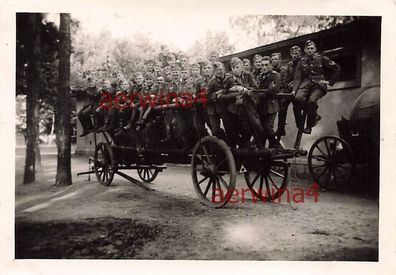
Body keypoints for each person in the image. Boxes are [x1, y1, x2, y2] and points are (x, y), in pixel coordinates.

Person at [292, 40, 341, 134]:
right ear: (305, 50)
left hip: (319, 85)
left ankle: (309, 125)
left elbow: (337, 68)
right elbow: (297, 78)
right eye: (308, 49)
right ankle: (315, 115)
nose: (310, 50)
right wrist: (294, 90)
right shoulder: (301, 62)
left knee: (311, 101)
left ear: (315, 49)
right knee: (298, 98)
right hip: (306, 84)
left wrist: (329, 82)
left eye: (311, 48)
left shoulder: (322, 58)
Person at [274, 48, 300, 137]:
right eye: (272, 59)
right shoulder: (272, 72)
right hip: (276, 95)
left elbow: (285, 85)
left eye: (276, 59)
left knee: (283, 107)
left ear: (280, 60)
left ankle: (282, 128)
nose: (274, 61)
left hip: (284, 93)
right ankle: (280, 129)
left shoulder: (283, 71)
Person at [256, 56, 281, 148]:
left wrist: (260, 91)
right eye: (262, 65)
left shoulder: (275, 75)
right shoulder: (260, 76)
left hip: (271, 106)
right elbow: (256, 88)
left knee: (267, 127)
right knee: (261, 129)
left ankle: (274, 145)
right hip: (260, 107)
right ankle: (264, 150)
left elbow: (272, 90)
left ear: (271, 65)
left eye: (266, 65)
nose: (264, 67)